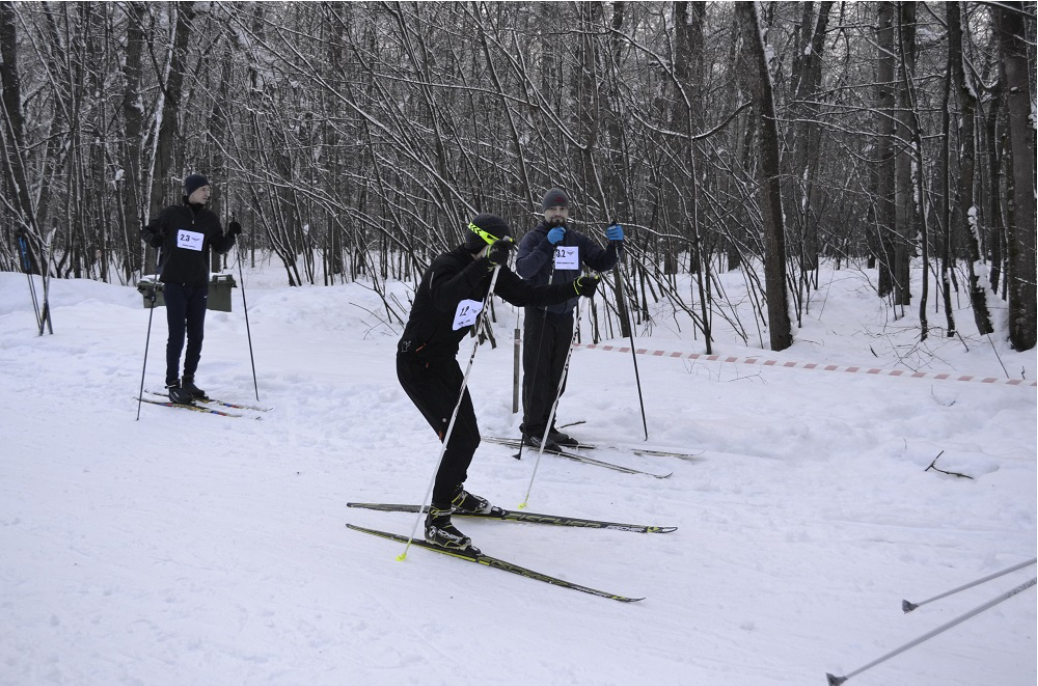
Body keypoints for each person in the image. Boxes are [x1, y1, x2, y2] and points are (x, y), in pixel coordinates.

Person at [396, 213, 600, 551]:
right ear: (483, 242)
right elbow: (445, 297)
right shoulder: (447, 265)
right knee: (459, 440)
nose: (505, 254)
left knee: (470, 437)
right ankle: (437, 519)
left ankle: (453, 493)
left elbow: (526, 295)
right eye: (501, 247)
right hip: (416, 365)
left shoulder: (491, 271)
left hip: (444, 363)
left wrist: (573, 289)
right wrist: (483, 264)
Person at [515, 187, 624, 450]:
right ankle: (532, 429)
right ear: (544, 212)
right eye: (552, 209)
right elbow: (524, 270)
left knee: (557, 375)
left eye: (562, 209)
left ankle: (547, 426)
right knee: (537, 374)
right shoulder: (533, 238)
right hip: (540, 314)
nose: (558, 213)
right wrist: (547, 244)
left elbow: (601, 262)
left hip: (565, 315)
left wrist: (615, 245)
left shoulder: (576, 239)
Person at [141, 173, 241, 404]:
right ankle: (172, 383)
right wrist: (154, 239)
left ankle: (188, 380)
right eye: (203, 189)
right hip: (174, 283)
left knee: (196, 335)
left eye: (208, 189)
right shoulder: (171, 214)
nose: (207, 193)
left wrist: (232, 235)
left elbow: (219, 247)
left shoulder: (209, 219)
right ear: (191, 191)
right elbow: (146, 231)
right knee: (177, 335)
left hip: (198, 284)